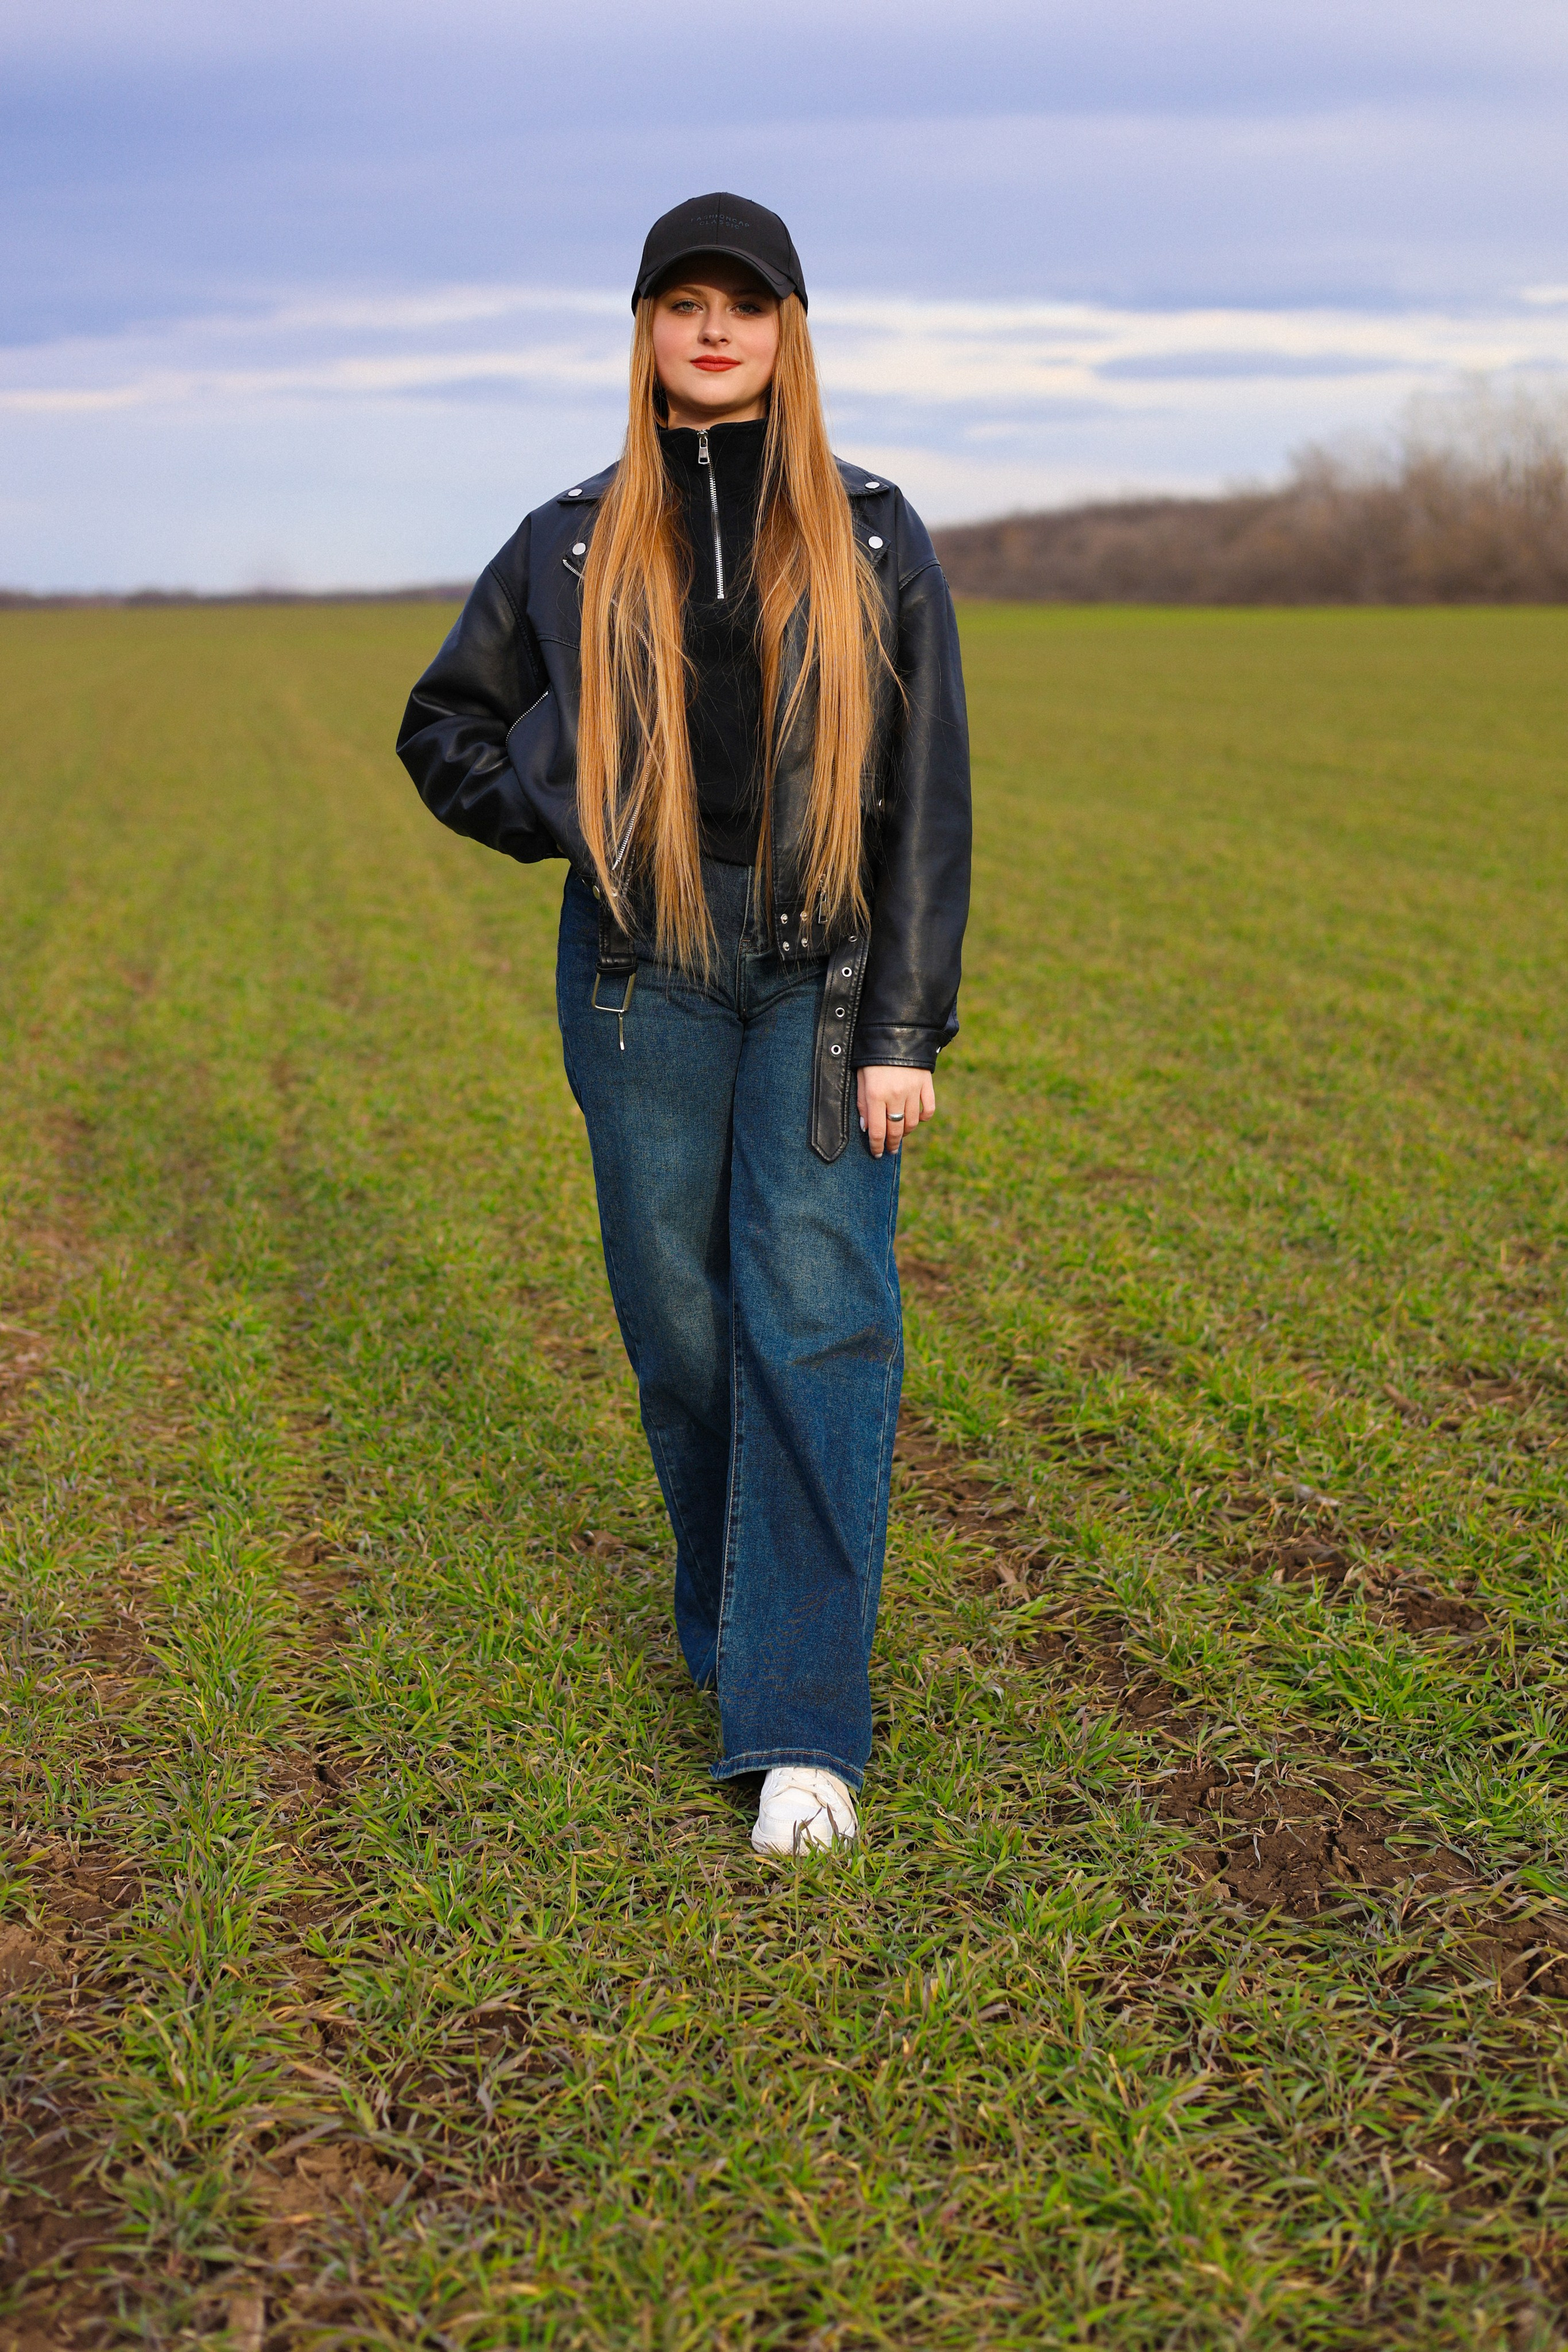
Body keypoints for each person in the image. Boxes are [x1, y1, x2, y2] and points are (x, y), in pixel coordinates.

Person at [398, 193, 970, 1855]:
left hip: (823, 974)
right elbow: (445, 724)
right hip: (642, 977)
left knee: (820, 1324)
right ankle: (747, 1643)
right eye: (682, 303)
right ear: (644, 331)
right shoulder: (567, 539)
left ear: (791, 333)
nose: (714, 329)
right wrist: (567, 803)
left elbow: (925, 795)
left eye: (746, 303)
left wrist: (906, 1035)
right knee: (688, 1336)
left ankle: (800, 1727)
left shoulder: (873, 531)